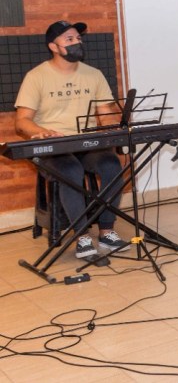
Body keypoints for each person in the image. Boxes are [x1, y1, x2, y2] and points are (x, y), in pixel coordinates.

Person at [14, 20, 130, 259]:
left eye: (78, 38)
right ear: (53, 46)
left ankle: (107, 231)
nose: (77, 42)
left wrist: (116, 128)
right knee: (70, 170)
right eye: (69, 39)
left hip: (86, 143)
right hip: (55, 146)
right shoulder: (36, 76)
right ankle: (82, 236)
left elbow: (105, 114)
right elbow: (22, 121)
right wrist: (42, 131)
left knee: (111, 165)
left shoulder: (94, 75)